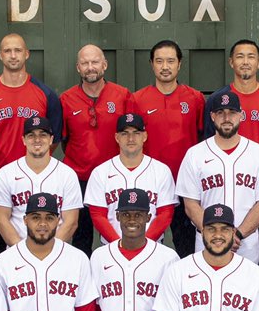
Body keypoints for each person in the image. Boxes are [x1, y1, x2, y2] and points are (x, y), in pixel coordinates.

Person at [0, 192, 97, 311]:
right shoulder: (4, 262)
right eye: (35, 217)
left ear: (58, 220)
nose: (42, 224)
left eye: (49, 217)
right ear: (25, 220)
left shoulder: (77, 259)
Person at [89, 190, 180, 311]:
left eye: (138, 214)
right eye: (126, 214)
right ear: (117, 216)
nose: (132, 220)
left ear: (148, 217)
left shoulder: (167, 258)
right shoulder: (99, 257)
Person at [177, 88, 259, 262]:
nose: (226, 118)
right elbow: (191, 205)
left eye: (232, 112)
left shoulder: (258, 153)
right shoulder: (195, 154)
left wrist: (237, 235)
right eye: (220, 113)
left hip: (245, 244)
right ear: (212, 116)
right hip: (206, 244)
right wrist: (215, 235)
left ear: (240, 115)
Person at [129, 40, 205, 254]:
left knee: (188, 247)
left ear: (179, 64)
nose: (165, 66)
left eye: (170, 61)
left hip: (186, 185)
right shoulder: (137, 99)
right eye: (159, 61)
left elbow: (202, 140)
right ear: (152, 64)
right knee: (149, 246)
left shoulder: (195, 98)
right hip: (151, 184)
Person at [61, 44, 134, 254]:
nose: (90, 67)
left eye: (94, 62)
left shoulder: (122, 96)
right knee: (80, 238)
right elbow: (62, 139)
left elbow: (132, 136)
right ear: (78, 68)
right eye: (85, 63)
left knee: (115, 235)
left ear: (104, 64)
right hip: (79, 178)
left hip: (113, 179)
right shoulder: (66, 100)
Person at [0, 32, 63, 175]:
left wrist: (36, 159)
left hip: (37, 174)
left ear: (26, 54)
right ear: (0, 55)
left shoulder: (46, 94)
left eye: (18, 50)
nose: (13, 56)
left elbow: (54, 138)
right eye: (7, 51)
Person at [0, 115, 85, 251]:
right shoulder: (6, 173)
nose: (37, 140)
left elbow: (70, 222)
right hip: (16, 252)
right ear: (23, 140)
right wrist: (22, 252)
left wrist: (50, 251)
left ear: (51, 139)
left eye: (43, 135)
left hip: (57, 253)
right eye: (31, 135)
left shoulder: (67, 174)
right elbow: (1, 220)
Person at [84, 111, 176, 244]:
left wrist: (144, 245)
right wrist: (119, 245)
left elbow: (165, 213)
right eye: (124, 133)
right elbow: (98, 215)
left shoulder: (161, 171)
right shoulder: (100, 172)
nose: (131, 138)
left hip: (153, 247)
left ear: (144, 136)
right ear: (117, 137)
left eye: (136, 133)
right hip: (111, 247)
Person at [209, 39, 259, 156]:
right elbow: (209, 140)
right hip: (227, 170)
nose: (245, 62)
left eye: (251, 57)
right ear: (231, 62)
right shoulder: (217, 99)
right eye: (240, 57)